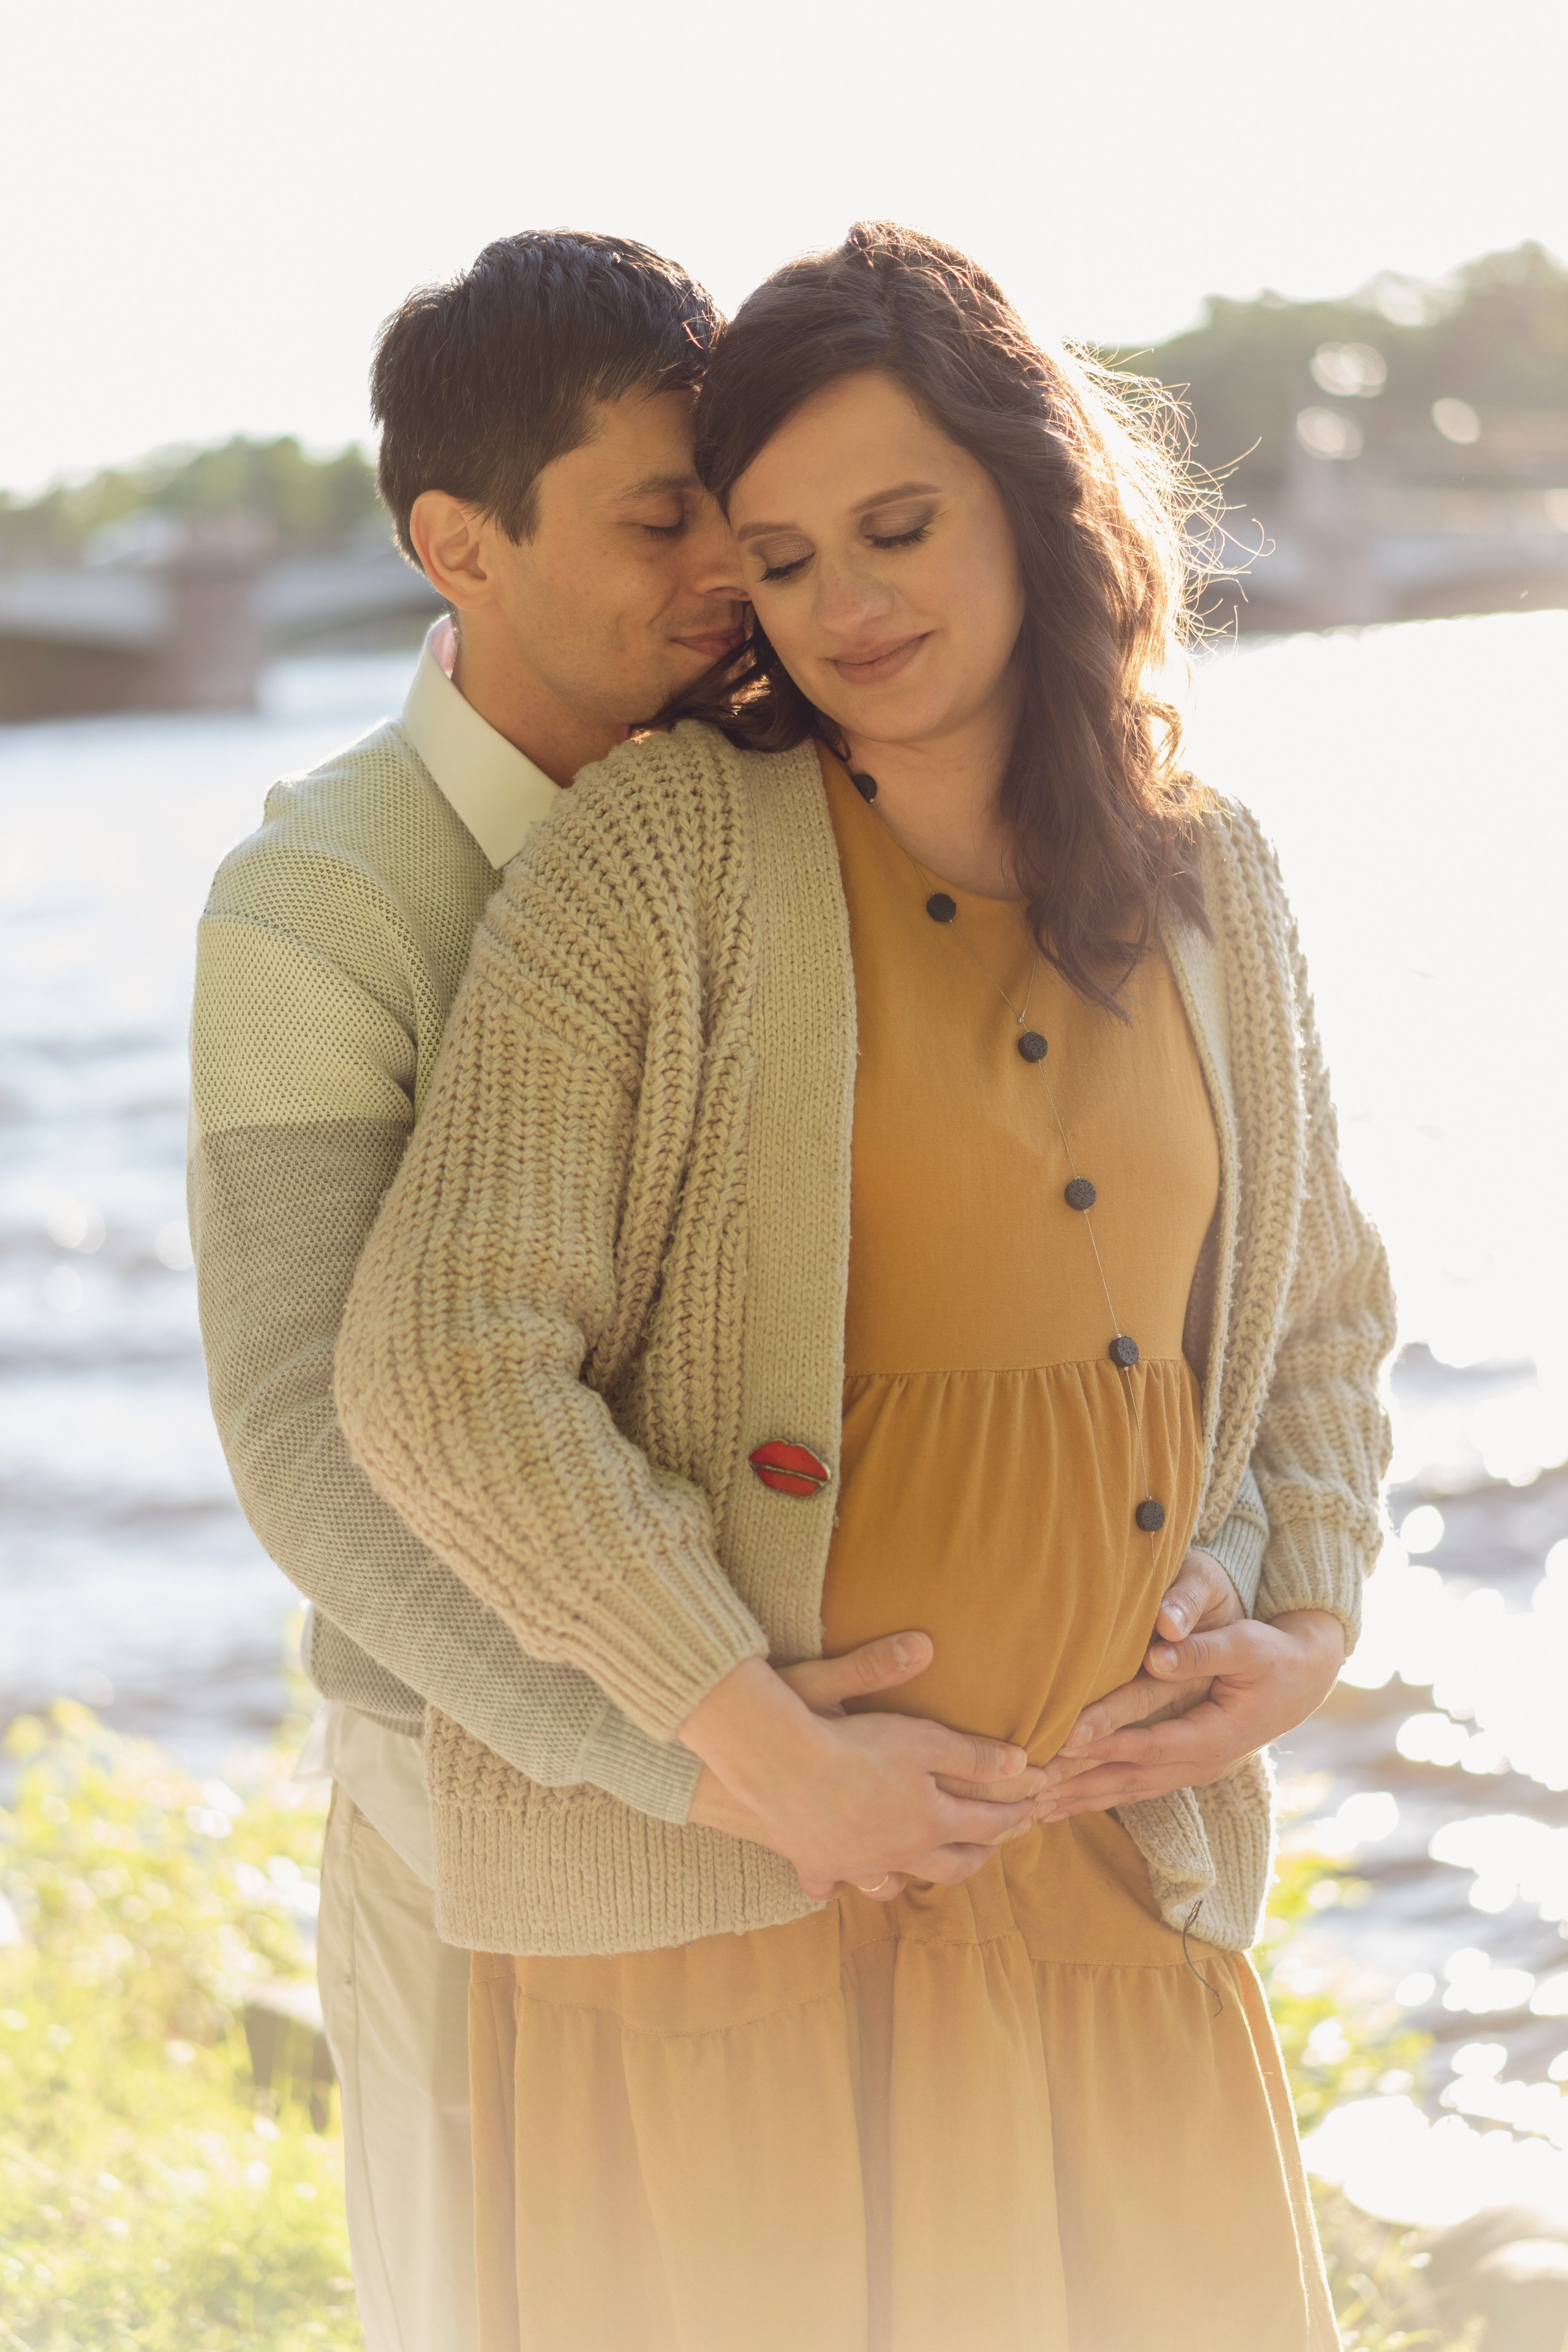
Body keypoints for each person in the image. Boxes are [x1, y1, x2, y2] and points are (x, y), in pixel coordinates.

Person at [189, 226, 1259, 2346]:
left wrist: (1249, 1573)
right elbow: (326, 1440)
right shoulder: (321, 907)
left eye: (748, 520)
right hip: (497, 1791)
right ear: (456, 543)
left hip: (907, 1824)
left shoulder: (817, 796)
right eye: (671, 517)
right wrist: (712, 1758)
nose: (737, 578)